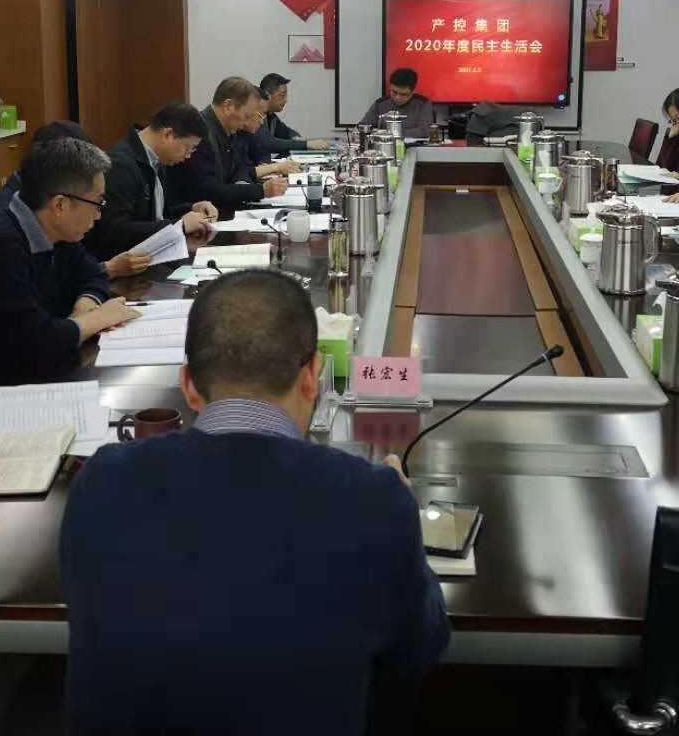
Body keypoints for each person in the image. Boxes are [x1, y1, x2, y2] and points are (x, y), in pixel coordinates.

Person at [61, 269, 449, 736]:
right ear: (312, 376)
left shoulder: (102, 482)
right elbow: (417, 651)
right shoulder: (374, 500)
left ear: (188, 385)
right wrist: (404, 524)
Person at [0, 138, 138, 417]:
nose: (99, 215)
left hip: (25, 371)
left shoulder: (54, 229)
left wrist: (85, 304)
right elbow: (36, 344)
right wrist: (96, 319)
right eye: (98, 203)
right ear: (60, 205)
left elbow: (92, 272)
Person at [0, 120, 160, 280]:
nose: (98, 215)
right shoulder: (9, 229)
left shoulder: (59, 209)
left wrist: (92, 290)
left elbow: (81, 270)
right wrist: (109, 269)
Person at [85, 103, 216, 263]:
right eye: (188, 148)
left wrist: (192, 208)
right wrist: (179, 225)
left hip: (155, 255)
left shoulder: (155, 160)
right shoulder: (121, 165)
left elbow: (157, 216)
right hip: (128, 265)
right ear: (168, 135)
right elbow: (115, 230)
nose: (188, 156)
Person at [164, 77, 289, 212]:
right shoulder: (201, 134)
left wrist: (242, 184)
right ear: (228, 107)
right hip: (193, 213)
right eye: (247, 116)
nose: (245, 123)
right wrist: (261, 190)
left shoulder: (228, 129)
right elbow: (210, 192)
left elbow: (239, 168)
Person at [235, 87, 304, 182]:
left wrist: (267, 168)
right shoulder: (234, 135)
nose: (262, 122)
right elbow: (240, 175)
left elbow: (254, 165)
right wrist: (274, 167)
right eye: (260, 114)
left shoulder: (246, 133)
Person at [257, 72, 331, 156]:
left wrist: (296, 137)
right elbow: (270, 143)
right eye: (282, 95)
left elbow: (286, 132)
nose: (286, 100)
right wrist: (307, 144)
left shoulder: (271, 116)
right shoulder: (258, 116)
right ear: (268, 95)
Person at [360, 67, 434, 137]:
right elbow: (363, 125)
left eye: (403, 94)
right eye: (394, 92)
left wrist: (392, 133)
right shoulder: (380, 104)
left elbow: (425, 131)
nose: (397, 97)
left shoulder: (423, 104)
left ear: (413, 91)